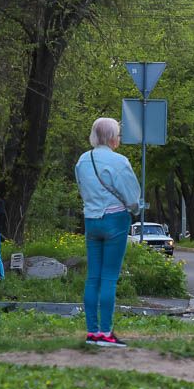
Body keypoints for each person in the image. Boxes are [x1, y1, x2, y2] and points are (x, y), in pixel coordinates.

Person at [75, 117, 140, 347]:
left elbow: (82, 190)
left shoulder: (83, 160)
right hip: (115, 221)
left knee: (93, 277)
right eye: (118, 135)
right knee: (109, 278)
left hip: (91, 221)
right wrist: (135, 209)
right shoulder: (119, 161)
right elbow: (133, 197)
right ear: (112, 137)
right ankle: (105, 333)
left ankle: (91, 332)